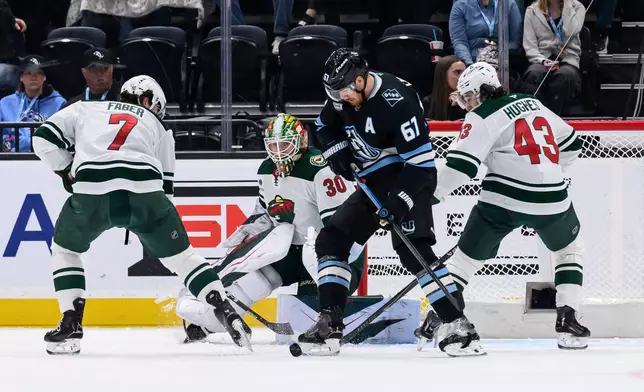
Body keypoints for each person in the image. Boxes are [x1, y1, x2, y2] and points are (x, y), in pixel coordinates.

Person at [31, 75, 251, 355]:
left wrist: (66, 169)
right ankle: (223, 307)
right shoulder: (158, 126)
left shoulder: (87, 108)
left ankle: (71, 320)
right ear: (147, 101)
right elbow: (167, 189)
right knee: (183, 259)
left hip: (93, 189)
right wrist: (156, 229)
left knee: (66, 251)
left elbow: (43, 139)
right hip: (145, 190)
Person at [418, 62, 589, 356]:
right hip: (553, 199)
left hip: (502, 200)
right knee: (570, 250)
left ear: (480, 93)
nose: (466, 105)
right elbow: (573, 144)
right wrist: (547, 171)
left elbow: (460, 167)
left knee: (463, 263)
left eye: (468, 97)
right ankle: (568, 318)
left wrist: (428, 197)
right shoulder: (533, 102)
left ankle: (436, 318)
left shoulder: (480, 116)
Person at [294, 48, 442, 356]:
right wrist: (337, 150)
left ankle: (456, 322)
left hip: (408, 177)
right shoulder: (340, 94)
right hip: (373, 183)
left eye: (345, 91)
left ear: (361, 80)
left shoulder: (397, 98)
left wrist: (400, 202)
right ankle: (330, 321)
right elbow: (323, 126)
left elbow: (422, 165)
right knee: (332, 240)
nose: (340, 98)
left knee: (413, 252)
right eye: (335, 93)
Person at [175, 113, 365, 342]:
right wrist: (250, 229)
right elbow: (266, 213)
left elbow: (343, 225)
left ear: (301, 141)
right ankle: (211, 323)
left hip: (335, 257)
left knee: (308, 296)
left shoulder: (321, 168)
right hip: (294, 254)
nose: (278, 152)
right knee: (252, 281)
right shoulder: (266, 169)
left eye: (284, 145)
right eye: (273, 145)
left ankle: (330, 318)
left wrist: (329, 256)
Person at [520, 0, 585, 115]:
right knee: (533, 74)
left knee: (564, 76)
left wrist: (567, 5)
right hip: (541, 59)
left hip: (568, 59)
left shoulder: (577, 8)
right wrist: (542, 60)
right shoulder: (532, 11)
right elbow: (530, 46)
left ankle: (554, 119)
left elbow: (571, 31)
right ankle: (536, 117)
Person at [1, 55, 66, 152]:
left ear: (44, 77)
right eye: (28, 73)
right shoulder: (5, 103)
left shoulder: (59, 104)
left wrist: (19, 142)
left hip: (47, 158)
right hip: (12, 159)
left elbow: (59, 140)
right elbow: (3, 139)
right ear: (21, 77)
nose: (34, 77)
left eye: (39, 73)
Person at [449, 0, 523, 66]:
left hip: (502, 60)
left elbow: (514, 42)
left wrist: (496, 50)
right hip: (472, 58)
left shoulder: (509, 4)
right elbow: (460, 42)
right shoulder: (460, 5)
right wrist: (469, 66)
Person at [422, 56, 467, 120]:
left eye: (465, 73)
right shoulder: (428, 103)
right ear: (443, 75)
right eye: (457, 72)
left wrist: (457, 107)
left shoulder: (470, 101)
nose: (463, 77)